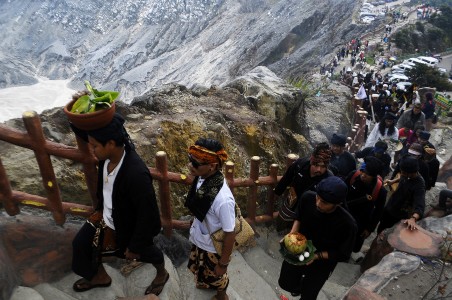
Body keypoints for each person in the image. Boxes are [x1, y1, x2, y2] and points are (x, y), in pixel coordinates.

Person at [71, 114, 169, 295]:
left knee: (148, 253)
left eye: (94, 146)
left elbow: (148, 215)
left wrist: (134, 246)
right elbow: (87, 134)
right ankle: (99, 276)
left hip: (128, 226)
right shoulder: (107, 156)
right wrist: (80, 114)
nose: (91, 149)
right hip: (106, 215)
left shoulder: (136, 174)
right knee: (81, 244)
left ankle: (162, 274)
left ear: (109, 143)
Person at [278, 177, 357, 300]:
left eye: (324, 202)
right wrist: (291, 235)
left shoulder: (348, 224)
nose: (318, 204)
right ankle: (298, 287)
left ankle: (305, 290)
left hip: (322, 262)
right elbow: (299, 215)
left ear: (338, 203)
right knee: (285, 282)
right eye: (318, 197)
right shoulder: (308, 197)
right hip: (300, 248)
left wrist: (316, 256)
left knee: (309, 295)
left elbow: (343, 254)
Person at [185, 138, 235, 300]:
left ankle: (222, 295)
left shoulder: (223, 200)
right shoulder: (204, 178)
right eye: (190, 160)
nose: (190, 166)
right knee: (202, 268)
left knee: (216, 276)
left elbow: (230, 233)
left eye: (195, 163)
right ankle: (204, 281)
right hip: (201, 237)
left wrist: (223, 264)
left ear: (212, 166)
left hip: (213, 247)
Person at [274, 142, 333, 227]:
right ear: (312, 161)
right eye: (316, 165)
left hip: (308, 211)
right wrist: (277, 193)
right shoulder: (301, 164)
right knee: (282, 224)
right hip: (291, 202)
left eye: (323, 166)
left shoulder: (328, 179)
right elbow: (287, 178)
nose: (319, 169)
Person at [344, 157, 387, 252]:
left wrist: (369, 229)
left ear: (374, 176)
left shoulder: (380, 190)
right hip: (344, 212)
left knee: (353, 246)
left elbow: (378, 211)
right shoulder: (354, 176)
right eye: (362, 171)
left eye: (367, 174)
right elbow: (342, 190)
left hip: (361, 221)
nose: (363, 175)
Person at [377, 156, 426, 233]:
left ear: (411, 172)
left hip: (400, 213)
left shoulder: (419, 184)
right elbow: (402, 177)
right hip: (391, 204)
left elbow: (420, 205)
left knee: (389, 232)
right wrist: (392, 181)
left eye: (403, 172)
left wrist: (413, 218)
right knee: (381, 226)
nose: (401, 173)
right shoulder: (406, 173)